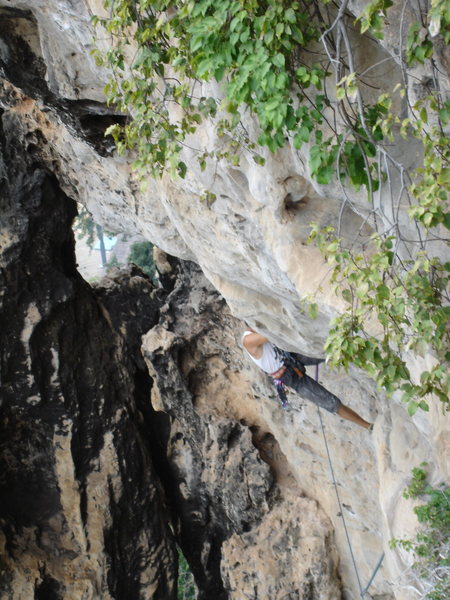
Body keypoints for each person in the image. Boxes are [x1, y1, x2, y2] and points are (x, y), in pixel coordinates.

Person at [242, 328, 373, 430]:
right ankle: (368, 426)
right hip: (289, 376)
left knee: (331, 352)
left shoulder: (254, 330)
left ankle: (366, 354)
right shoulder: (247, 340)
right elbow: (269, 333)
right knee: (331, 402)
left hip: (292, 357)